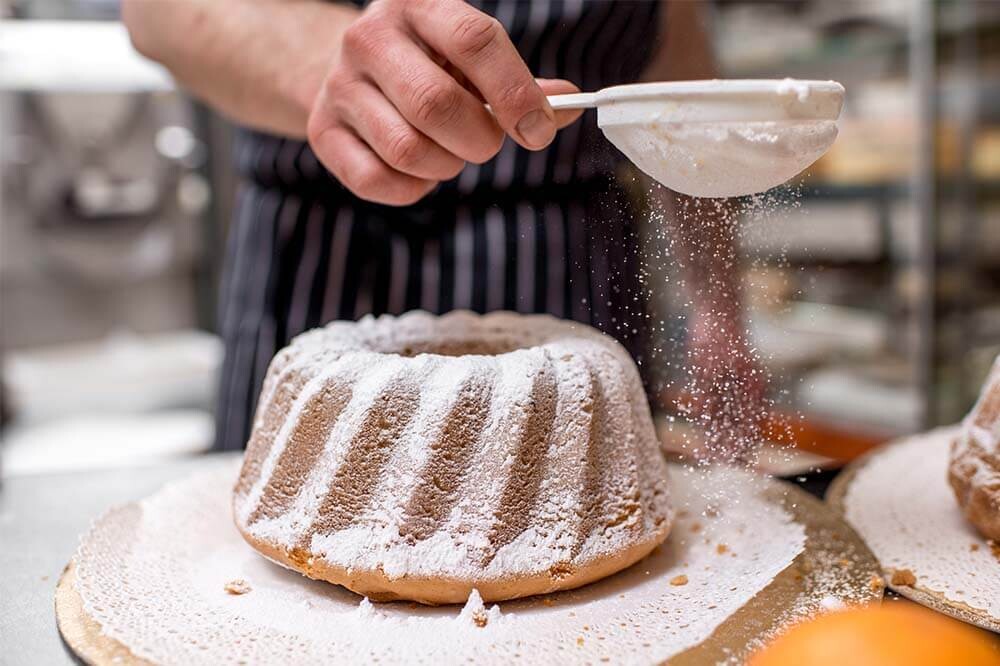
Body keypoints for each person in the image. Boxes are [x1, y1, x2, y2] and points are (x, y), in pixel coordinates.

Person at [123, 0, 765, 457]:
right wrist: (361, 79)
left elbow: (676, 68)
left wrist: (718, 309)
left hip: (569, 267)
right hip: (326, 253)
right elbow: (158, 12)